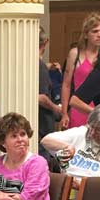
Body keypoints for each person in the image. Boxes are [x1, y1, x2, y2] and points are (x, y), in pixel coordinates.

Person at [40, 102, 100, 185]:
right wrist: (68, 146)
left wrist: (83, 185)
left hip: (94, 195)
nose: (92, 133)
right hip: (67, 187)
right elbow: (45, 141)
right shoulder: (83, 132)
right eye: (91, 127)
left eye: (98, 129)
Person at [60, 13, 100, 130]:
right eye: (95, 31)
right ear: (86, 34)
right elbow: (66, 84)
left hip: (98, 106)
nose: (99, 35)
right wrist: (64, 113)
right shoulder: (75, 53)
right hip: (77, 105)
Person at [37, 28, 62, 162]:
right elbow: (40, 97)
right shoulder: (39, 65)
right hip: (42, 125)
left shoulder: (25, 64)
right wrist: (56, 109)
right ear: (45, 43)